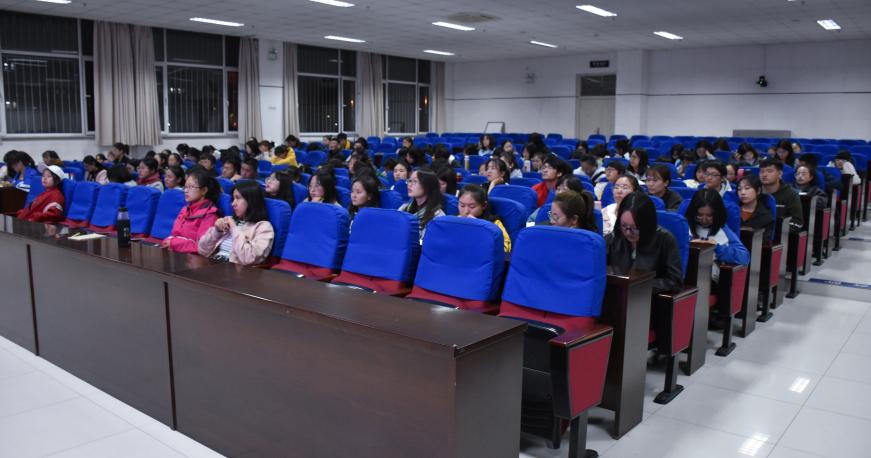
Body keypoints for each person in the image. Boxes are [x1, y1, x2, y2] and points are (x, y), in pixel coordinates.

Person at [606, 192, 683, 294]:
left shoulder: (665, 240)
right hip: (617, 295)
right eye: (624, 225)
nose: (628, 232)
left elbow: (674, 281)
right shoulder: (614, 237)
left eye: (634, 228)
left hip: (649, 298)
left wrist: (640, 285)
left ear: (647, 224)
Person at [197, 180, 274, 266]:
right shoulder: (229, 220)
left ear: (251, 200)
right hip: (214, 263)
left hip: (235, 270)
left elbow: (249, 258)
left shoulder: (263, 227)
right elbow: (202, 250)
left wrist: (234, 228)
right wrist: (216, 231)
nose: (233, 204)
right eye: (233, 199)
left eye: (238, 198)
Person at [685, 188, 751, 281]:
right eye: (699, 215)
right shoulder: (684, 226)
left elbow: (744, 258)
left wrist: (716, 247)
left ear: (717, 214)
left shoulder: (723, 230)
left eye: (709, 216)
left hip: (708, 277)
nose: (704, 220)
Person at [163, 169, 222, 254]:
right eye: (185, 187)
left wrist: (173, 243)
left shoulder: (210, 215)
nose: (186, 191)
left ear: (204, 190)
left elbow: (200, 247)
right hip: (177, 253)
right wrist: (173, 241)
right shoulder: (185, 209)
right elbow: (174, 235)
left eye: (190, 187)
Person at [457, 184, 511, 252]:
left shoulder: (494, 224)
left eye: (472, 206)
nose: (466, 211)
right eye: (462, 205)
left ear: (484, 205)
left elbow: (505, 248)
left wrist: (480, 228)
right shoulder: (455, 221)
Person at [399, 169, 445, 240]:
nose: (409, 185)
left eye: (415, 181)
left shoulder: (438, 216)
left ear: (427, 185)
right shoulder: (404, 208)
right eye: (410, 180)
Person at [760, 158, 803, 232]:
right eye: (762, 171)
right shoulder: (755, 191)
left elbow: (797, 222)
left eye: (769, 171)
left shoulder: (791, 194)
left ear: (780, 174)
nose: (764, 174)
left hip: (780, 235)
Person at [737, 174, 774, 241]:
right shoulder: (731, 210)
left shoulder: (766, 216)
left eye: (747, 188)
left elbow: (765, 241)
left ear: (758, 191)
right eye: (739, 189)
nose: (742, 193)